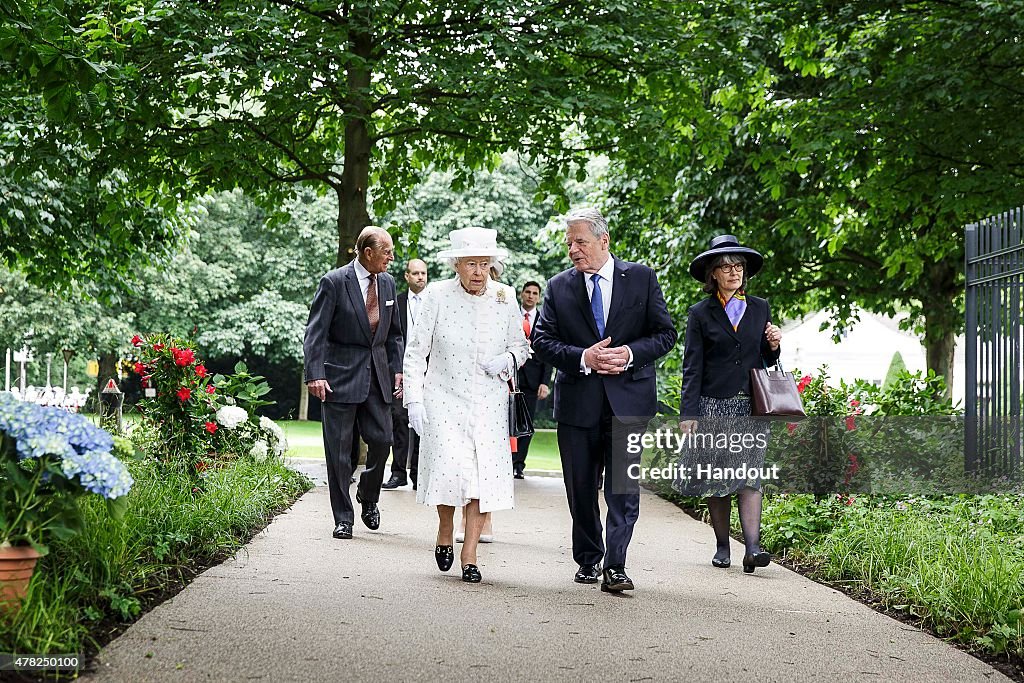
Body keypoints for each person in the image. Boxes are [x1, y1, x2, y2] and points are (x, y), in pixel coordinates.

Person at [532, 208, 677, 594]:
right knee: (580, 489)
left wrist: (629, 353)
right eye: (569, 244)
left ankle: (616, 565)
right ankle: (588, 559)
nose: (573, 251)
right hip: (578, 404)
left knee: (622, 490)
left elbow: (665, 334)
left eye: (580, 242)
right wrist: (584, 357)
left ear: (603, 240)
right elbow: (541, 341)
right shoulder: (559, 286)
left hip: (628, 402)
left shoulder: (642, 278)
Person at [403, 227, 529, 583]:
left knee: (480, 478)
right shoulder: (436, 296)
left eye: (484, 264)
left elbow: (521, 348)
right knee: (448, 471)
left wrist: (506, 359)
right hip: (442, 398)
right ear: (456, 264)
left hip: (488, 401)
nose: (478, 272)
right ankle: (445, 528)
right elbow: (416, 354)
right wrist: (413, 400)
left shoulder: (504, 297)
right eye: (471, 263)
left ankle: (470, 554)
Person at [676, 234, 782, 573]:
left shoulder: (760, 307)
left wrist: (775, 345)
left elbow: (765, 358)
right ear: (713, 275)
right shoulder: (700, 313)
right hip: (712, 405)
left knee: (750, 476)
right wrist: (689, 412)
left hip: (749, 406)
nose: (734, 271)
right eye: (726, 267)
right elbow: (691, 366)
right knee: (717, 479)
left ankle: (753, 547)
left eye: (738, 266)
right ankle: (723, 545)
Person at [303, 226, 404, 540]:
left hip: (378, 378)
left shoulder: (387, 284)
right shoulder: (334, 282)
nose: (391, 257)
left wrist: (398, 368)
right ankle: (343, 518)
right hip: (339, 377)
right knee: (339, 452)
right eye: (386, 251)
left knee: (384, 440)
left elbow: (395, 334)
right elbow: (315, 332)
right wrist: (315, 374)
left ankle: (368, 496)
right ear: (368, 252)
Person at [382, 258, 428, 490]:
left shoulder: (435, 301)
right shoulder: (396, 302)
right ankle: (398, 472)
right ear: (406, 276)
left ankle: (419, 474)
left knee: (423, 423)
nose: (420, 277)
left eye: (423, 273)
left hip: (429, 373)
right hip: (400, 371)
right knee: (399, 419)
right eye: (415, 273)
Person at [514, 280, 552, 479]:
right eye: (527, 292)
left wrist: (545, 382)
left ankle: (519, 464)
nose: (530, 296)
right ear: (522, 294)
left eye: (534, 293)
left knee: (526, 423)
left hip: (533, 380)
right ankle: (506, 461)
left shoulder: (544, 320)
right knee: (505, 421)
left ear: (539, 297)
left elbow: (548, 352)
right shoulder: (511, 315)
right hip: (510, 377)